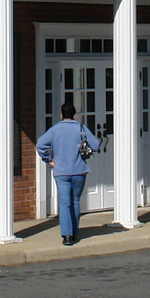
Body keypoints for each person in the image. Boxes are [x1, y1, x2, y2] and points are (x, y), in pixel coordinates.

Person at [36, 100, 103, 245]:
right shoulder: (81, 128)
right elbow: (96, 145)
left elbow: (40, 144)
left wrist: (48, 159)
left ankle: (66, 236)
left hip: (61, 172)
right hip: (79, 170)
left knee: (65, 203)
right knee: (75, 201)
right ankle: (74, 232)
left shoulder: (55, 130)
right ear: (74, 115)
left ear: (61, 115)